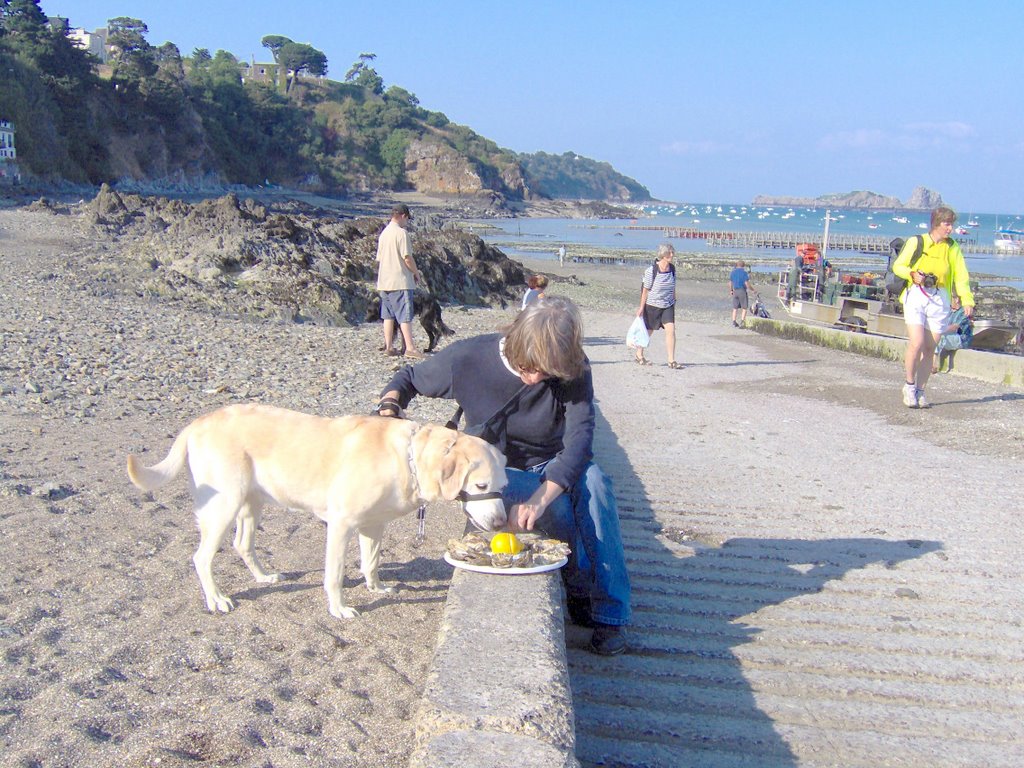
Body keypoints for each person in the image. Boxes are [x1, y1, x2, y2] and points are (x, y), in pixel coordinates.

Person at [376, 296, 631, 655]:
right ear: (515, 342)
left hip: (553, 461)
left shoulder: (572, 367)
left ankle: (611, 614)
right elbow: (408, 378)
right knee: (559, 513)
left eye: (548, 372)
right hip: (498, 472)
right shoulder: (469, 359)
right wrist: (388, 407)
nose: (539, 378)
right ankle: (579, 589)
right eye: (532, 368)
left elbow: (580, 440)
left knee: (596, 485)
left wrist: (542, 494)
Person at [892, 206, 974, 408]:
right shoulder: (917, 242)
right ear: (937, 224)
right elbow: (898, 266)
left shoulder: (952, 247)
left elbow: (961, 275)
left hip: (940, 297)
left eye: (951, 224)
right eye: (947, 224)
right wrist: (913, 274)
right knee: (917, 343)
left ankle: (920, 391)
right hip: (917, 295)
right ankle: (909, 386)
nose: (950, 229)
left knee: (930, 348)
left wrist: (967, 299)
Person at [376, 203, 424, 360]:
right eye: (407, 219)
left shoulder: (384, 234)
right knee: (405, 315)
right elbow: (407, 257)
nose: (407, 222)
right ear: (403, 216)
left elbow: (379, 258)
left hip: (384, 281)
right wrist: (416, 273)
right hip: (399, 281)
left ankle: (389, 346)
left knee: (388, 316)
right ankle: (410, 347)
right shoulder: (401, 233)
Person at [636, 243, 681, 368]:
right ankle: (639, 354)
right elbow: (645, 290)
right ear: (663, 254)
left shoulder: (672, 268)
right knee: (648, 331)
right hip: (652, 305)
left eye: (672, 252)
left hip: (668, 305)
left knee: (671, 330)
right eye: (669, 253)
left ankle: (671, 360)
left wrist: (674, 297)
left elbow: (673, 284)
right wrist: (641, 307)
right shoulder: (651, 271)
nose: (672, 255)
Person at [933, 294, 972, 373]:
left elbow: (955, 327)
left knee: (940, 336)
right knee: (934, 335)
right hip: (951, 336)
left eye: (950, 298)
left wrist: (939, 329)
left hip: (962, 339)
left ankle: (934, 364)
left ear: (957, 299)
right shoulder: (949, 310)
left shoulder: (964, 311)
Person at [729, 260, 754, 327]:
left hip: (735, 290)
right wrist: (752, 290)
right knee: (744, 307)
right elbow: (747, 284)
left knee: (735, 307)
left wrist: (731, 290)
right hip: (742, 290)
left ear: (737, 265)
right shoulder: (744, 273)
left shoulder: (733, 272)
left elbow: (730, 283)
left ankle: (734, 321)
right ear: (743, 266)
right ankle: (742, 321)